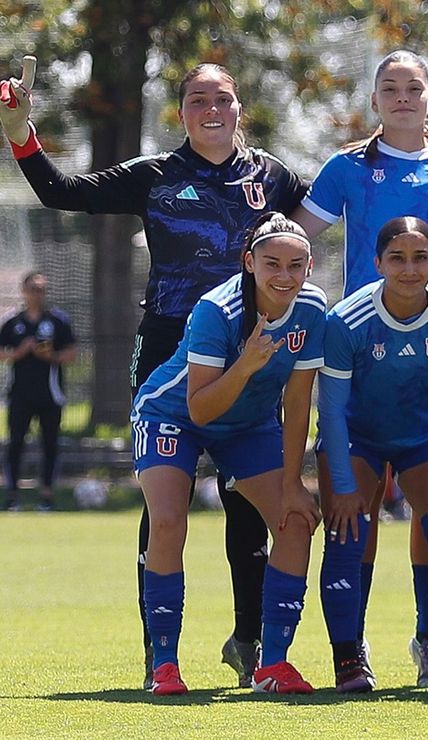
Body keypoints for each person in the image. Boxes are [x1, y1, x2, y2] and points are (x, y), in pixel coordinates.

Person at [1, 59, 310, 688]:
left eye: (222, 98)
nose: (211, 109)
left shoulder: (273, 177)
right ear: (182, 112)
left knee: (247, 501)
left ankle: (252, 643)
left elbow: (330, 210)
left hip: (249, 347)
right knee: (163, 502)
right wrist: (19, 132)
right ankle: (158, 656)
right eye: (198, 99)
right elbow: (64, 193)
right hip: (169, 346)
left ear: (239, 108)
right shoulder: (155, 176)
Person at [291, 49, 428, 686]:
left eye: (415, 87)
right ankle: (349, 658)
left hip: (426, 373)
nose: (403, 96)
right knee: (352, 527)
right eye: (390, 87)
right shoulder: (347, 167)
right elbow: (294, 236)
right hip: (358, 363)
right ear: (373, 100)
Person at [130, 212, 324, 695]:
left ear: (310, 267)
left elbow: (299, 401)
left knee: (297, 520)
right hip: (172, 414)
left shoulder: (314, 308)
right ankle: (165, 665)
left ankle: (273, 664)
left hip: (248, 424)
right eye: (272, 263)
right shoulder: (217, 309)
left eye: (295, 265)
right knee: (169, 520)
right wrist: (245, 364)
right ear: (249, 262)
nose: (284, 275)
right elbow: (198, 406)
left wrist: (293, 481)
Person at [316, 216, 428, 693]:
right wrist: (345, 486)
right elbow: (331, 411)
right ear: (377, 262)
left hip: (426, 437)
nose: (409, 268)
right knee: (347, 532)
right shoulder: (346, 320)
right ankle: (349, 659)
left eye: (420, 257)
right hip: (357, 438)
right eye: (397, 258)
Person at [0, 272, 76, 511]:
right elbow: (2, 352)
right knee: (15, 443)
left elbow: (71, 353)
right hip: (20, 394)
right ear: (24, 291)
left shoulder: (57, 321)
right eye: (33, 288)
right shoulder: (13, 321)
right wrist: (18, 352)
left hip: (50, 395)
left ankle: (47, 496)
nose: (37, 293)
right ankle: (12, 496)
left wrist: (51, 356)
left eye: (41, 289)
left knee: (50, 444)